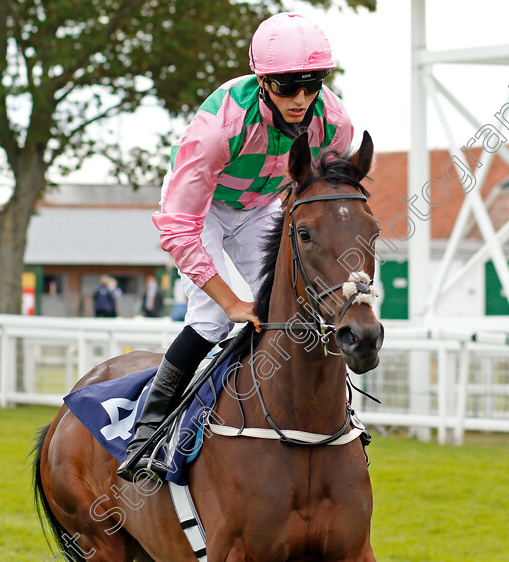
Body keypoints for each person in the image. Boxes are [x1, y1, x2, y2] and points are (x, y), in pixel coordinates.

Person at [117, 12, 355, 481]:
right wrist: (232, 301)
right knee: (212, 316)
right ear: (263, 82)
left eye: (312, 85)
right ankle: (146, 435)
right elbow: (178, 230)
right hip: (199, 208)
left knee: (302, 305)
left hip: (260, 206)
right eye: (288, 87)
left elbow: (322, 197)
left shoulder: (335, 123)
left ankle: (327, 418)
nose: (301, 99)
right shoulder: (218, 129)